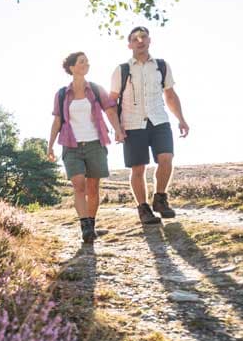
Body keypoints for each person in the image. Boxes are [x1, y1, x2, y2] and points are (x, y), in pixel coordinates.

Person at [109, 26, 190, 225]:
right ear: (129, 44)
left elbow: (170, 95)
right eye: (135, 38)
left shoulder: (161, 66)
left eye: (143, 37)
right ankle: (143, 209)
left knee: (166, 159)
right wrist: (117, 128)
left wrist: (181, 119)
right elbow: (111, 102)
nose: (140, 41)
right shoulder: (122, 70)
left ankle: (160, 199)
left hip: (159, 120)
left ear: (149, 40)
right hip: (132, 123)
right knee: (138, 168)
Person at [48, 52, 125, 244]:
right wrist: (49, 146)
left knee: (93, 187)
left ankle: (91, 223)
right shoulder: (61, 95)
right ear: (72, 68)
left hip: (95, 144)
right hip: (71, 145)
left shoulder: (97, 90)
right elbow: (57, 121)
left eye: (87, 61)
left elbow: (110, 111)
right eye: (81, 62)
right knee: (79, 185)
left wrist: (117, 130)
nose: (86, 64)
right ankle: (85, 226)